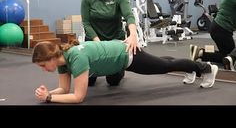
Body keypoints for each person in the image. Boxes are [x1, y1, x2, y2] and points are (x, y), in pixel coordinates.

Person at [33, 40, 218, 104]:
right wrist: (48, 93)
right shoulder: (62, 59)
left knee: (164, 66)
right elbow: (64, 90)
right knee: (163, 63)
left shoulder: (76, 58)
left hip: (127, 56)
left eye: (42, 65)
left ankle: (207, 68)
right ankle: (191, 69)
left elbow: (78, 97)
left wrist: (49, 98)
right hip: (118, 52)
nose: (43, 69)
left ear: (51, 57)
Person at [81, 0, 139, 86]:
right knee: (89, 82)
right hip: (94, 42)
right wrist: (99, 44)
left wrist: (132, 35)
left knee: (113, 81)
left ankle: (120, 69)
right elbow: (86, 23)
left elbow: (129, 16)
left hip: (114, 41)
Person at [189, 0, 236, 69]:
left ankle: (200, 53)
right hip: (222, 29)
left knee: (226, 55)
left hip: (218, 28)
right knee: (231, 56)